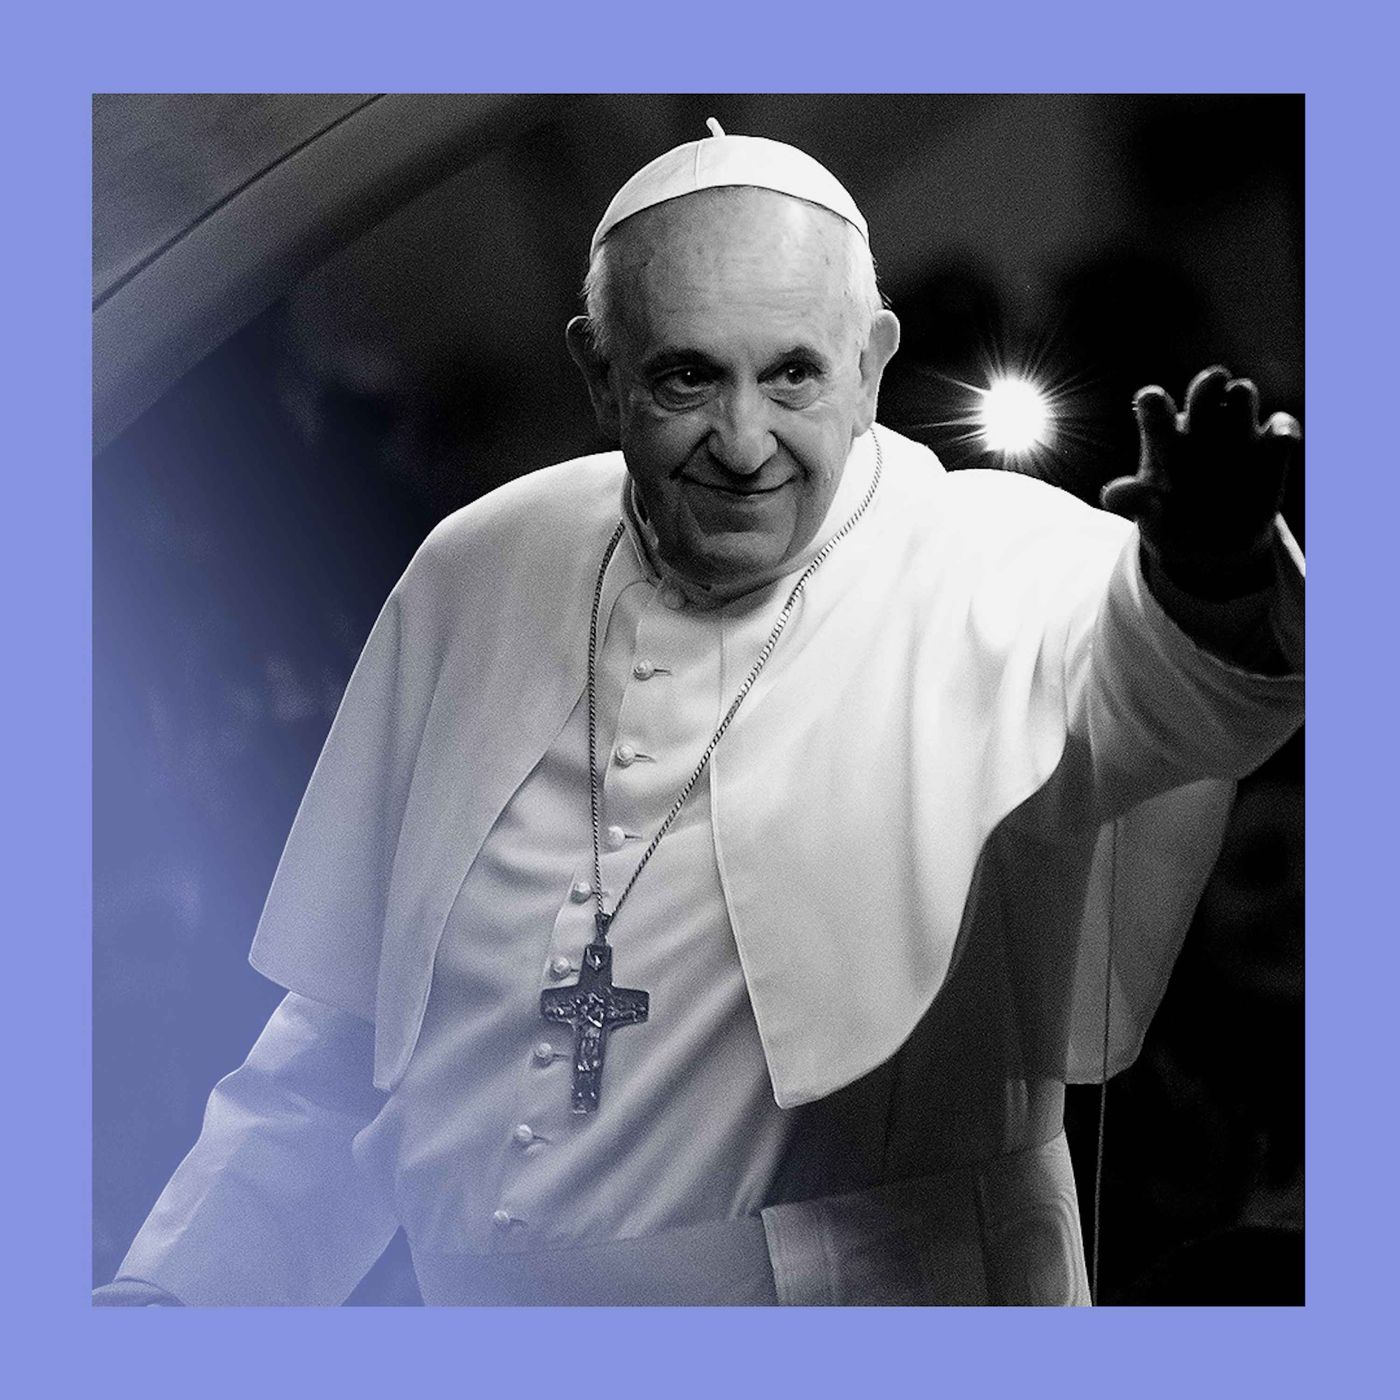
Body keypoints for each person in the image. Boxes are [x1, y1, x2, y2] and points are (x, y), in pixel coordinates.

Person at [95, 123, 1303, 1307]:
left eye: (792, 373)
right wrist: (179, 1293)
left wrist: (1206, 575)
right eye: (685, 375)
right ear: (598, 371)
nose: (741, 441)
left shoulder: (987, 554)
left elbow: (1156, 684)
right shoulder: (475, 570)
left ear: (870, 361)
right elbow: (348, 1047)